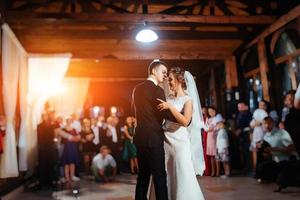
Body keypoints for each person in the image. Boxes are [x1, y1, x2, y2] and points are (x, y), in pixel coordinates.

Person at [156, 67, 205, 200]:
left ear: (179, 80)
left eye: (171, 79)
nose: (169, 82)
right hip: (166, 140)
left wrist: (170, 107)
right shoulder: (169, 98)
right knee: (168, 174)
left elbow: (185, 121)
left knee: (182, 173)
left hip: (180, 143)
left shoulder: (187, 100)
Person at [132, 59, 172, 200]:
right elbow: (165, 113)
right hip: (153, 139)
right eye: (163, 72)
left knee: (143, 176)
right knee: (160, 177)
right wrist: (180, 115)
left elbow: (136, 111)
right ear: (154, 71)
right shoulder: (157, 90)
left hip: (140, 138)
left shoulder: (137, 88)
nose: (165, 75)